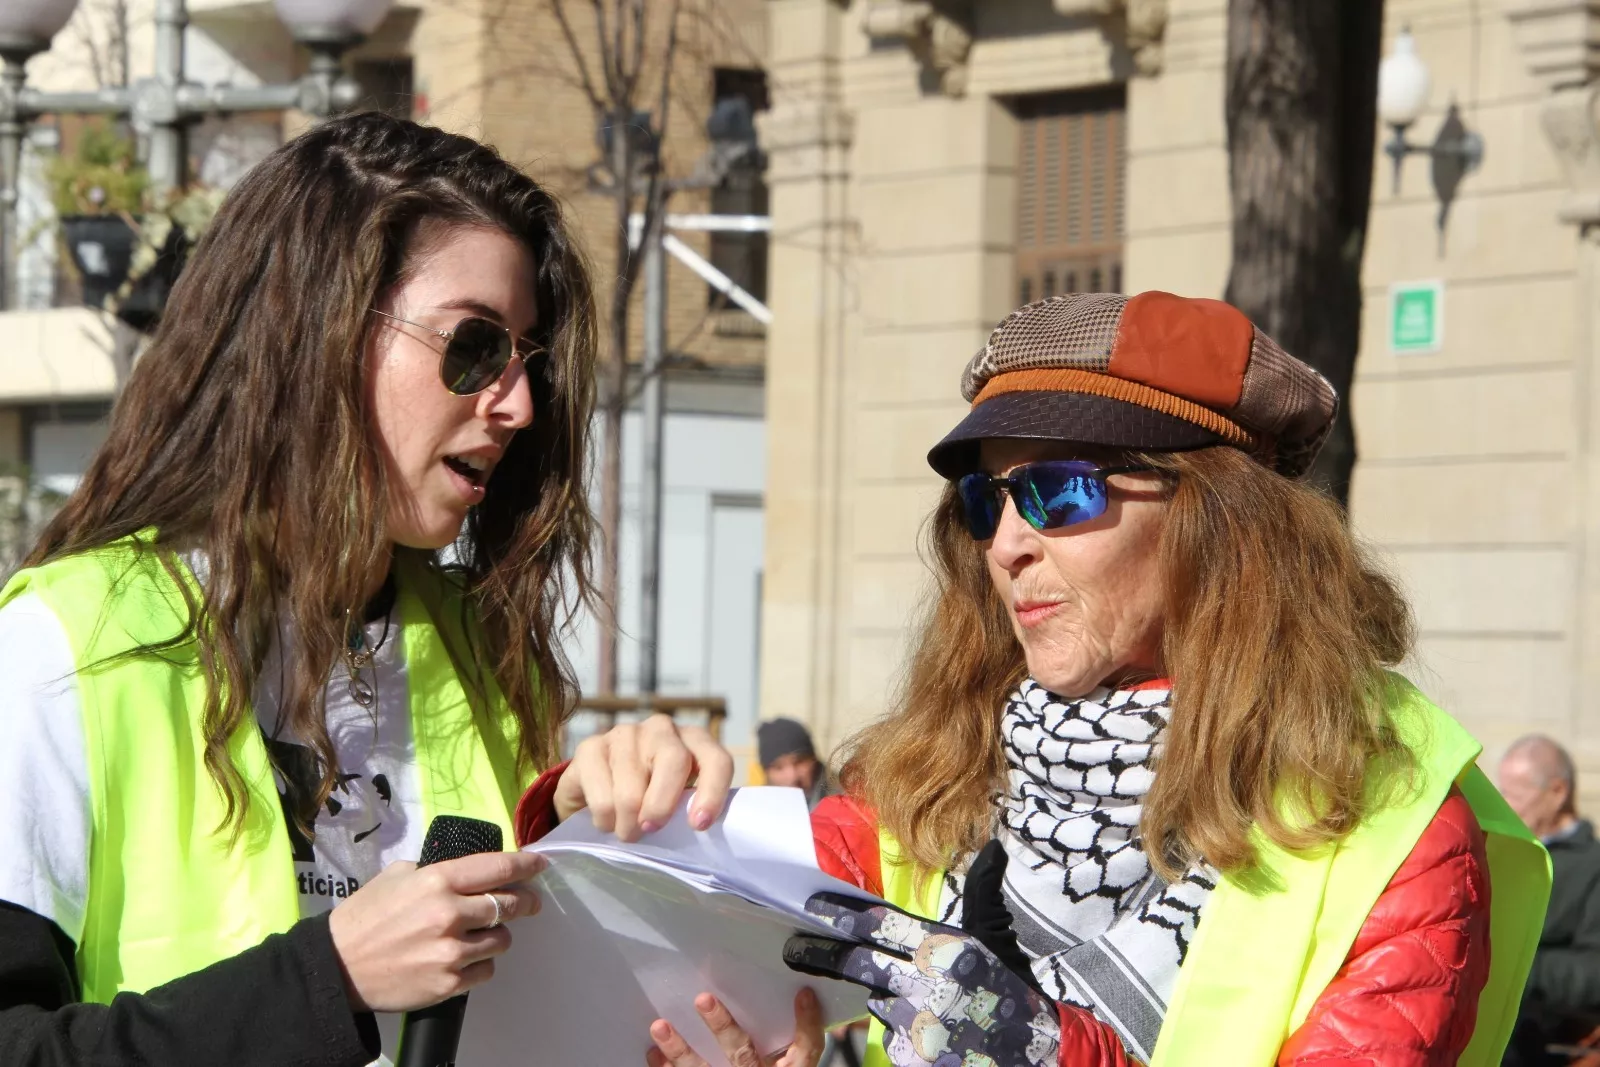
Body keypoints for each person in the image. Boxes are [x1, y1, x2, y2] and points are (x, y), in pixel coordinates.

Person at [0, 113, 735, 1067]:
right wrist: (327, 978)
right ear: (318, 327)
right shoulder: (65, 643)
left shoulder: (473, 656)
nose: (515, 404)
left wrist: (625, 849)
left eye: (528, 359)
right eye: (474, 346)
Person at [746, 291, 1547, 1067]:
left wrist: (1053, 1053)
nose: (1007, 545)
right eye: (986, 501)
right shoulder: (933, 766)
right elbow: (720, 920)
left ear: (1218, 521)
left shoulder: (1389, 816)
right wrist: (656, 798)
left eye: (1058, 489)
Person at [1499, 736, 1600, 1066]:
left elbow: (1593, 972)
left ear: (1557, 792)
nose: (1505, 806)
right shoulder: (1506, 853)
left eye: (1515, 795)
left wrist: (1515, 966)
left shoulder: (1592, 866)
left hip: (1548, 1050)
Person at [759, 718, 841, 809]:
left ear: (813, 759)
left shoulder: (844, 802)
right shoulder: (757, 809)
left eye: (799, 762)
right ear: (766, 772)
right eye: (779, 767)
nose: (792, 776)